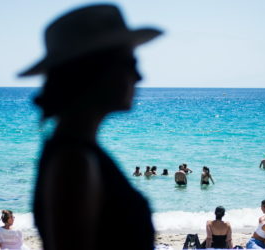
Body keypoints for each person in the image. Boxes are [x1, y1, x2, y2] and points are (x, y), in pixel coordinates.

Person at [18, 4, 162, 250]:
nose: (139, 76)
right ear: (96, 71)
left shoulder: (72, 150)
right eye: (130, 63)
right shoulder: (74, 160)